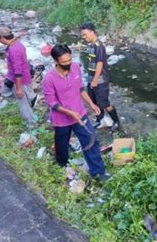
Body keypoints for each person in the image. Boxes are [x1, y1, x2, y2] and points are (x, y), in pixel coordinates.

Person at [42, 44, 110, 181]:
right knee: (62, 145)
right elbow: (51, 103)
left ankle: (98, 172)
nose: (68, 64)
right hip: (61, 119)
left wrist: (91, 104)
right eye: (64, 62)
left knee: (91, 140)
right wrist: (70, 113)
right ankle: (62, 166)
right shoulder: (49, 78)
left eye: (69, 60)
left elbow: (80, 89)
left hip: (80, 113)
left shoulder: (76, 68)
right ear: (56, 61)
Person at [79, 22, 120, 133]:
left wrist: (96, 79)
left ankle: (116, 122)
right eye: (82, 35)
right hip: (91, 78)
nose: (84, 37)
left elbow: (100, 64)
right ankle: (100, 119)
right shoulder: (91, 45)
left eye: (85, 34)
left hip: (100, 79)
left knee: (104, 103)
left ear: (92, 32)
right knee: (93, 101)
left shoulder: (99, 46)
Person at [0, 27, 38, 129]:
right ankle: (30, 97)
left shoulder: (14, 49)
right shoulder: (16, 44)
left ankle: (31, 123)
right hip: (12, 77)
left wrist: (19, 88)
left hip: (18, 80)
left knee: (22, 103)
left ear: (2, 38)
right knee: (3, 91)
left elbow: (18, 71)